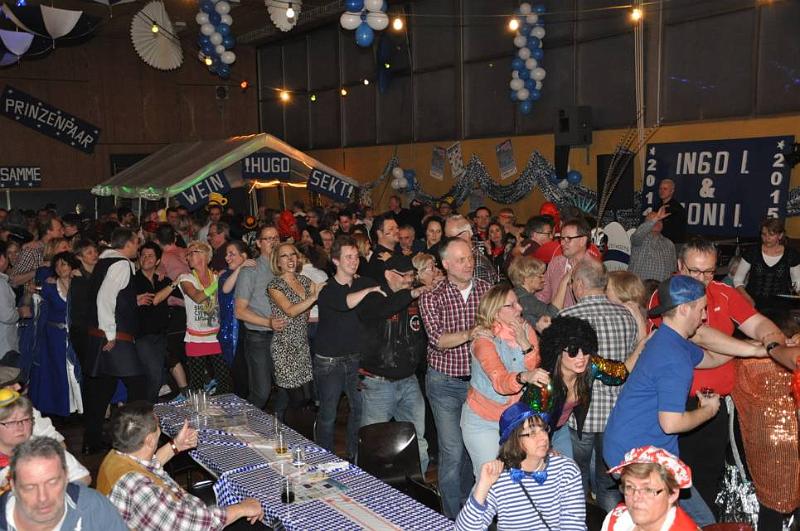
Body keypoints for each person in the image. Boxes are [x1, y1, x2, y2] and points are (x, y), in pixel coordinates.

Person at [650, 237, 800, 515]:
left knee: (707, 479)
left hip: (716, 404)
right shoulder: (667, 294)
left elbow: (760, 324)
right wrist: (757, 348)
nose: (702, 279)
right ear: (680, 265)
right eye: (695, 271)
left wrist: (774, 343)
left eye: (709, 271)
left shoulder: (723, 292)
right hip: (677, 403)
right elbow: (699, 337)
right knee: (673, 482)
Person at [605, 275, 766, 527]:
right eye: (701, 309)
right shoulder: (673, 358)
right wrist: (708, 410)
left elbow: (711, 358)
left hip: (629, 444)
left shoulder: (669, 338)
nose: (704, 317)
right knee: (700, 521)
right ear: (683, 309)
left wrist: (757, 348)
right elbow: (671, 423)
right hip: (636, 457)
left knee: (667, 519)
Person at [98, 402, 263, 530]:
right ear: (149, 440)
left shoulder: (117, 456)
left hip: (181, 512)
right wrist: (242, 508)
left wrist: (175, 445)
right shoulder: (140, 490)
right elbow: (195, 526)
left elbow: (147, 467)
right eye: (157, 428)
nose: (159, 429)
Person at [558, 259, 639, 511]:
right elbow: (633, 361)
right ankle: (609, 523)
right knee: (609, 483)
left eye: (573, 283)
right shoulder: (626, 316)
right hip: (617, 417)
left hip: (579, 416)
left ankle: (579, 521)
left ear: (580, 285)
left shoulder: (566, 318)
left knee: (576, 479)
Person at [419, 238, 491, 518]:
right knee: (452, 451)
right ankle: (450, 517)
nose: (468, 263)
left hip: (479, 383)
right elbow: (437, 340)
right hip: (444, 383)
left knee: (473, 450)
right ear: (446, 264)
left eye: (470, 258)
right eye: (461, 260)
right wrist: (471, 334)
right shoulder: (432, 295)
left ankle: (469, 509)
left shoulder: (486, 290)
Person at [454, 401, 586, 531]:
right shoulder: (499, 478)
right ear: (515, 440)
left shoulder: (566, 471)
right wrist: (483, 486)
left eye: (544, 429)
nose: (543, 437)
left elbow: (574, 526)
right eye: (532, 432)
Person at [460, 283, 547, 477]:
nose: (520, 308)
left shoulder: (525, 329)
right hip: (484, 420)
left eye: (518, 302)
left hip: (517, 418)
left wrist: (524, 342)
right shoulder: (484, 339)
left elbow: (535, 366)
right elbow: (500, 382)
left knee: (519, 477)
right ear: (495, 312)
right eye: (512, 305)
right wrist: (524, 377)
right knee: (491, 479)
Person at [357, 255, 431, 474]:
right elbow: (383, 309)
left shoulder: (414, 299)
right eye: (404, 275)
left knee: (417, 441)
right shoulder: (374, 296)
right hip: (378, 383)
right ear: (389, 274)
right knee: (373, 443)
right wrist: (411, 294)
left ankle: (416, 486)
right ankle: (368, 490)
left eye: (411, 275)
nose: (409, 279)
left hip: (409, 381)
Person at [523, 316, 631, 460]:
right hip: (535, 434)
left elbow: (620, 373)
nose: (581, 357)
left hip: (561, 429)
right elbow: (530, 425)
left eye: (585, 350)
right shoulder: (544, 384)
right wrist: (547, 447)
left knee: (570, 468)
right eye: (573, 351)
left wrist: (642, 344)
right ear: (558, 352)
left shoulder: (590, 366)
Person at [730, 308, 800, 528]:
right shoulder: (793, 358)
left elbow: (731, 388)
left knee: (770, 505)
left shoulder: (746, 361)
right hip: (795, 436)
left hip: (763, 440)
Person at [83, 228, 149, 456]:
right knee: (138, 385)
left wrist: (132, 300)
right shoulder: (121, 264)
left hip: (101, 334)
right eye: (136, 243)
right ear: (128, 244)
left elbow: (110, 296)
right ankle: (133, 438)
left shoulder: (104, 262)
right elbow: (105, 299)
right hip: (115, 337)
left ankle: (92, 440)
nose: (138, 247)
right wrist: (110, 334)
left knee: (102, 389)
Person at [313, 236, 380, 459]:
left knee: (359, 409)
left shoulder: (362, 282)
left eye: (356, 257)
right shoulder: (327, 288)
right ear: (336, 261)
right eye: (348, 257)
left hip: (354, 359)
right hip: (329, 361)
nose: (354, 261)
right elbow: (345, 303)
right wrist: (368, 291)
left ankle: (353, 457)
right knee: (328, 414)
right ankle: (325, 459)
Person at [0, 436, 126, 530]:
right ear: (13, 486)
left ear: (66, 477)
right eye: (30, 487)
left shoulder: (94, 508)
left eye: (52, 482)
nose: (43, 497)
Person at [235, 226, 286, 410]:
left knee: (286, 388)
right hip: (259, 338)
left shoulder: (284, 268)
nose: (273, 242)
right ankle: (248, 423)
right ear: (258, 243)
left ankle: (278, 424)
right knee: (261, 392)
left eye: (276, 238)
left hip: (283, 336)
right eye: (268, 238)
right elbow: (239, 311)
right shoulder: (251, 270)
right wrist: (268, 323)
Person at [267, 243, 323, 411]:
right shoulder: (275, 285)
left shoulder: (304, 280)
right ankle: (281, 422)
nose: (290, 258)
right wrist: (313, 297)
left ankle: (280, 420)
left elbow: (326, 292)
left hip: (302, 345)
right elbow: (291, 311)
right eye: (284, 256)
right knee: (297, 400)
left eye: (292, 254)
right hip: (284, 348)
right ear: (278, 262)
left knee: (306, 399)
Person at [28, 252, 83, 417]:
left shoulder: (80, 284)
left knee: (74, 370)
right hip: (54, 336)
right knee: (59, 371)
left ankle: (80, 407)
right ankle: (63, 408)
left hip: (76, 335)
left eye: (64, 264)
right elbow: (38, 306)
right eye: (57, 265)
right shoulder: (49, 286)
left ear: (71, 266)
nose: (60, 268)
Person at [177, 241, 232, 394]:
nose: (187, 257)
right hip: (196, 338)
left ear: (205, 255)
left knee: (224, 382)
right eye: (187, 254)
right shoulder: (186, 278)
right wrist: (218, 283)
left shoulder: (216, 276)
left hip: (217, 336)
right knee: (197, 385)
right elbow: (197, 297)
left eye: (191, 253)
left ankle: (221, 408)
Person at [603, 446, 699, 531]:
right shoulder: (616, 519)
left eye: (648, 490)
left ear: (672, 494)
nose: (635, 497)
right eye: (630, 487)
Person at [733, 217, 800, 310]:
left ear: (780, 235)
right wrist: (748, 298)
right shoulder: (752, 252)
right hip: (753, 303)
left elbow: (797, 283)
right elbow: (737, 280)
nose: (767, 238)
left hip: (780, 307)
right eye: (764, 234)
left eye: (771, 235)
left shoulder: (791, 255)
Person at [537, 217, 594, 308]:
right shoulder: (556, 263)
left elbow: (590, 306)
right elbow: (543, 295)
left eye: (568, 238)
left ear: (582, 241)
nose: (562, 243)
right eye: (562, 238)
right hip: (555, 315)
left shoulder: (594, 269)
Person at [218, 240, 253, 367]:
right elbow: (226, 289)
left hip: (250, 325)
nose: (227, 258)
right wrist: (240, 268)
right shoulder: (225, 275)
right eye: (226, 254)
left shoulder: (252, 273)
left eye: (231, 254)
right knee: (238, 366)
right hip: (232, 328)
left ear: (243, 256)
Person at [506, 255, 558, 330]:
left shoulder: (516, 293)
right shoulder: (526, 299)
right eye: (540, 276)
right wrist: (564, 283)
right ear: (526, 279)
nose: (543, 279)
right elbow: (551, 314)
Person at [445, 215, 499, 286]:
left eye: (450, 238)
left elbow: (479, 292)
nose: (446, 243)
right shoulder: (472, 259)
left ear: (465, 235)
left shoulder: (477, 265)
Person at [628, 205, 677, 282]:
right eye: (653, 220)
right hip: (640, 286)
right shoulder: (640, 239)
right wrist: (655, 218)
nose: (657, 222)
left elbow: (673, 268)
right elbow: (638, 234)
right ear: (645, 224)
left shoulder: (669, 243)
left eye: (660, 220)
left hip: (662, 287)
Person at [0, 242, 20, 363]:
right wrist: (20, 312)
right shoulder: (1, 283)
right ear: (2, 259)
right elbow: (7, 316)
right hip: (4, 347)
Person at [364, 215, 399, 281]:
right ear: (380, 233)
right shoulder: (380, 258)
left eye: (397, 227)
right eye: (391, 229)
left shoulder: (397, 251)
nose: (397, 231)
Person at [655, 179, 687, 246]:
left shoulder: (677, 209)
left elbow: (676, 233)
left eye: (665, 189)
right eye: (660, 188)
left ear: (672, 191)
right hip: (658, 243)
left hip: (673, 245)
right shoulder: (657, 206)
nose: (661, 191)